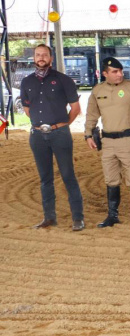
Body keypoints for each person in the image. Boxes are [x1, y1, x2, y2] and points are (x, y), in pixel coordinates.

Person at [19, 43, 85, 231]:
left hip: (60, 134)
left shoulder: (64, 80)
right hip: (38, 135)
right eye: (38, 55)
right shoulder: (27, 82)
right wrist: (42, 124)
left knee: (67, 175)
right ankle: (49, 217)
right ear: (34, 58)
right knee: (45, 178)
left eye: (45, 55)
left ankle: (78, 218)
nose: (41, 58)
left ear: (51, 58)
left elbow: (75, 108)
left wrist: (61, 126)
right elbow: (27, 109)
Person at [85, 57, 130, 227]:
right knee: (111, 179)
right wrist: (88, 134)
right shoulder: (97, 91)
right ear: (105, 73)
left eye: (120, 71)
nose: (119, 74)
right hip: (107, 141)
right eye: (114, 72)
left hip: (128, 140)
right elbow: (92, 115)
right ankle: (112, 216)